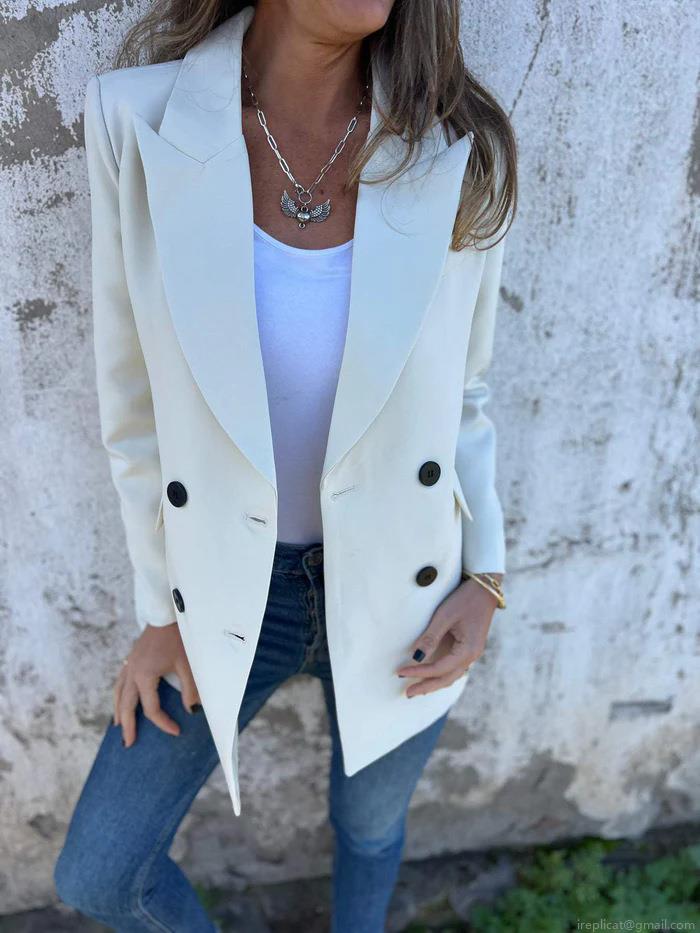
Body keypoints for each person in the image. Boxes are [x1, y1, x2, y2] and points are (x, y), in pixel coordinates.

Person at [54, 1, 517, 930]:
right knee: (99, 872)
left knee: (371, 828)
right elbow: (132, 400)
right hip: (227, 585)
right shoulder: (137, 121)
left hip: (407, 587)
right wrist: (162, 608)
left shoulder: (452, 143)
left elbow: (463, 391)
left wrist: (487, 576)